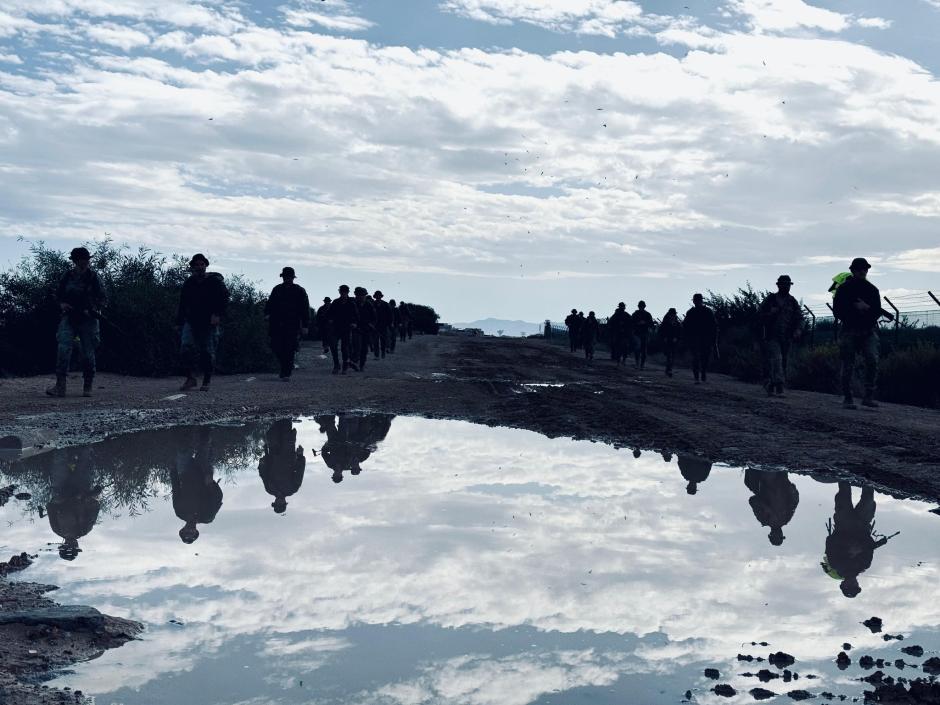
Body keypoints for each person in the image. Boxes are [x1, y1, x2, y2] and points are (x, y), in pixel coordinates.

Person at [46, 247, 106, 398]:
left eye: (86, 259)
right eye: (82, 259)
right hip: (69, 316)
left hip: (88, 320)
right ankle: (60, 386)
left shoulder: (93, 277)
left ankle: (88, 386)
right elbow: (58, 295)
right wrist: (62, 304)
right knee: (63, 349)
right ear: (75, 261)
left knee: (88, 353)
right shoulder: (67, 276)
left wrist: (93, 309)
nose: (85, 262)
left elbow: (103, 298)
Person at [821, 483, 896, 598]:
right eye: (855, 586)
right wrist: (860, 546)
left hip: (843, 523)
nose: (853, 583)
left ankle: (843, 467)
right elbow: (870, 543)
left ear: (843, 584)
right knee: (868, 496)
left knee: (844, 490)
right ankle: (867, 470)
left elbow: (830, 541)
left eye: (849, 586)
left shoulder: (835, 564)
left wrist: (849, 548)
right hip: (863, 523)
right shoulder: (864, 564)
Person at [832, 258, 881, 409]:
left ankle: (868, 396)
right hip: (849, 329)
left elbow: (876, 311)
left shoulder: (872, 290)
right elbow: (838, 310)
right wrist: (854, 310)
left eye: (865, 269)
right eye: (859, 269)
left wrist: (866, 309)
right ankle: (848, 396)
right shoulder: (844, 289)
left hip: (868, 330)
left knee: (872, 360)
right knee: (848, 363)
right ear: (853, 270)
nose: (862, 271)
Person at [177, 254, 229, 392]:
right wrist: (179, 320)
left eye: (202, 264)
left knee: (207, 351)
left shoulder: (215, 281)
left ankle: (206, 380)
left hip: (209, 322)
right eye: (197, 265)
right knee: (185, 349)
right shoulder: (189, 283)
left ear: (206, 266)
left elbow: (224, 298)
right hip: (191, 320)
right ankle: (190, 378)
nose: (199, 267)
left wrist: (217, 314)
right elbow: (183, 303)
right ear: (193, 267)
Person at [45, 447, 102, 560]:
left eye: (68, 546)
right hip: (81, 488)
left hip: (60, 489)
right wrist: (85, 497)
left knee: (59, 457)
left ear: (63, 545)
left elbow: (50, 506)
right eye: (74, 547)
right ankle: (86, 439)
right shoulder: (84, 529)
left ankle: (60, 438)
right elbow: (95, 506)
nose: (72, 544)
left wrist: (60, 499)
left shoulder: (57, 529)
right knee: (85, 458)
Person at [172, 428, 223, 544]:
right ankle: (206, 423)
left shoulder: (179, 512)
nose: (190, 530)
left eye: (186, 532)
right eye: (192, 533)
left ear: (182, 530)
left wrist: (173, 469)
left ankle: (187, 423)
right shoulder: (208, 517)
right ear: (196, 532)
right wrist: (211, 484)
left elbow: (176, 489)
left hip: (185, 472)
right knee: (204, 444)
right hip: (203, 473)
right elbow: (218, 498)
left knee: (183, 448)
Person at [759, 275, 803, 397]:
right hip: (771, 335)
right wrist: (770, 313)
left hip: (786, 336)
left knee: (782, 361)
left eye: (788, 284)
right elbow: (759, 315)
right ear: (778, 285)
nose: (786, 286)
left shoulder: (792, 301)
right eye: (784, 284)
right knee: (776, 360)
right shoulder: (771, 299)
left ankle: (771, 384)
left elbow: (799, 317)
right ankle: (779, 386)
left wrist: (798, 329)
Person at [264, 267, 310, 380]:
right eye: (285, 277)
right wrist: (266, 313)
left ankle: (286, 372)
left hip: (292, 323)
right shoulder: (277, 289)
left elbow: (305, 309)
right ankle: (284, 368)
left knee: (289, 348)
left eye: (289, 277)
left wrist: (305, 325)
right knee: (275, 346)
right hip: (276, 323)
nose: (287, 279)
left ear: (292, 278)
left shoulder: (299, 290)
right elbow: (270, 303)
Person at [258, 420, 306, 514]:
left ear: (274, 502)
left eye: (277, 503)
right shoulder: (293, 489)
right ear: (285, 503)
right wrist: (300, 456)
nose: (279, 502)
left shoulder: (269, 489)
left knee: (273, 428)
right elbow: (300, 471)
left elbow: (264, 475)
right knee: (286, 424)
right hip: (288, 452)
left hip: (273, 453)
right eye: (281, 504)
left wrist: (262, 464)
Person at [744, 469, 799, 546]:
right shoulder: (786, 518)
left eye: (776, 537)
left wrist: (766, 507)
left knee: (749, 483)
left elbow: (752, 501)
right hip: (780, 478)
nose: (778, 534)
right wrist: (791, 488)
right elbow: (795, 500)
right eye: (779, 536)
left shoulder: (763, 519)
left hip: (767, 479)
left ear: (770, 534)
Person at [683, 293, 717, 383]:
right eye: (696, 300)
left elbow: (714, 326)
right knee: (696, 358)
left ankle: (702, 374)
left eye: (697, 300)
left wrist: (713, 339)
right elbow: (685, 326)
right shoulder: (691, 312)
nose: (696, 302)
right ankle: (697, 377)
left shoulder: (707, 311)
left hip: (705, 339)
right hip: (695, 339)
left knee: (704, 358)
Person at [327, 285, 359, 374]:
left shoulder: (351, 303)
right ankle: (336, 365)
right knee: (333, 346)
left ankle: (345, 366)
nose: (343, 293)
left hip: (346, 328)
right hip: (336, 327)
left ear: (348, 292)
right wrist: (330, 319)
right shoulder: (335, 302)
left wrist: (354, 323)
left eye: (345, 291)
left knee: (345, 348)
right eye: (342, 291)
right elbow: (329, 313)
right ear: (339, 292)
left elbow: (356, 315)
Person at [353, 287, 376, 371]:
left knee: (364, 348)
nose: (361, 297)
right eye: (359, 295)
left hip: (366, 329)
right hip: (355, 328)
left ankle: (361, 365)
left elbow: (374, 317)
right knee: (356, 345)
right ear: (356, 295)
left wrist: (371, 324)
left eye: (363, 295)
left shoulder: (369, 305)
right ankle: (354, 360)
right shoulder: (353, 304)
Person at [631, 301, 654, 370]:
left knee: (644, 350)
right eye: (640, 306)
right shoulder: (635, 314)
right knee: (638, 348)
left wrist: (645, 323)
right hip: (637, 333)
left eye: (642, 306)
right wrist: (637, 324)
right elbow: (631, 323)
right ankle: (637, 363)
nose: (641, 307)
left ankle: (642, 365)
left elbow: (651, 324)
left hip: (645, 333)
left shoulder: (647, 314)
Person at [659, 308, 681, 378]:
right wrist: (664, 337)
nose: (672, 316)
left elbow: (680, 332)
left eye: (673, 314)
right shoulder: (665, 323)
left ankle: (669, 369)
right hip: (667, 341)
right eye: (671, 314)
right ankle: (669, 369)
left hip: (674, 342)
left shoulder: (677, 323)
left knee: (673, 356)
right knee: (669, 356)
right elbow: (661, 331)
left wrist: (677, 338)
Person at [373, 291, 393, 358]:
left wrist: (390, 323)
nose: (378, 297)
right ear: (375, 297)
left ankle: (383, 352)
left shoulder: (386, 304)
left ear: (381, 296)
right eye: (377, 296)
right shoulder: (372, 304)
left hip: (384, 325)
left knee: (383, 341)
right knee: (375, 341)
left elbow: (390, 315)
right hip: (375, 325)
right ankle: (376, 355)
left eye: (379, 296)